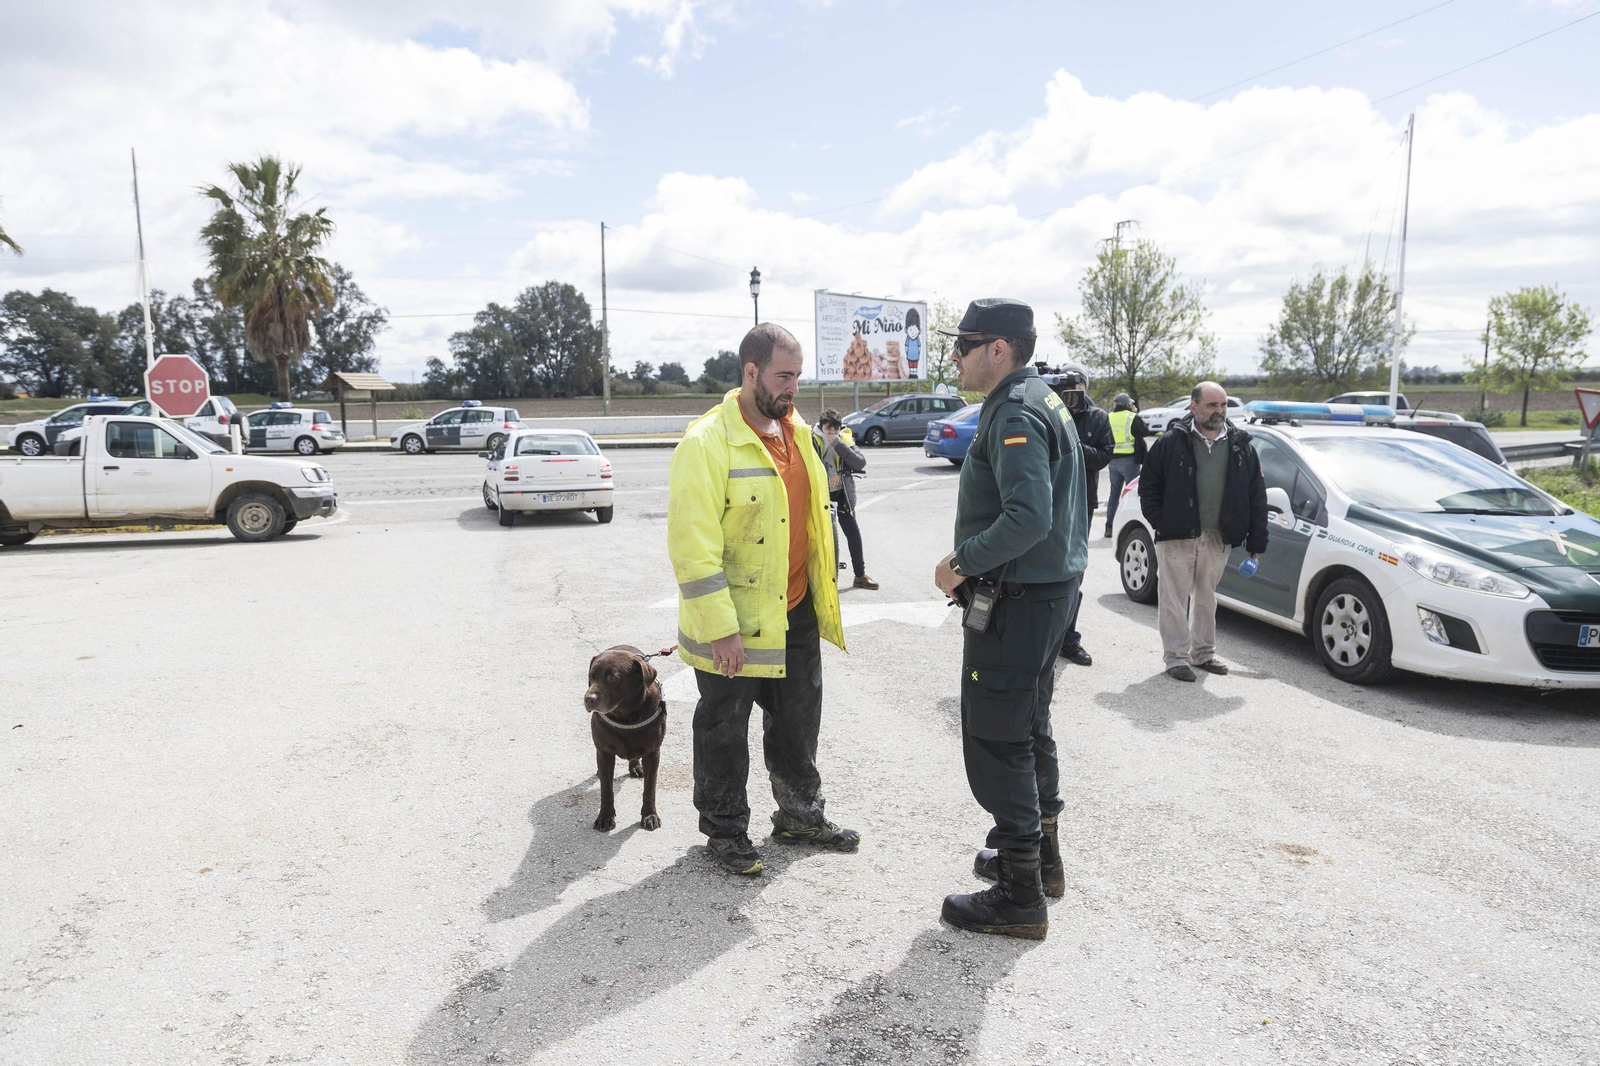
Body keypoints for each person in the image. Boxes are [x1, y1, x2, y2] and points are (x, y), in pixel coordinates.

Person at [667, 323, 861, 875]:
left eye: (798, 376)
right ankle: (725, 831)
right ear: (750, 372)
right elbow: (692, 549)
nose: (793, 388)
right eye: (783, 376)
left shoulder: (794, 430)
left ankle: (801, 816)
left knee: (798, 722)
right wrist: (719, 627)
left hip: (794, 608)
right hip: (735, 623)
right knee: (724, 728)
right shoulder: (705, 444)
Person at [931, 298, 1088, 940]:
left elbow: (1029, 517)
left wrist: (961, 564)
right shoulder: (1037, 398)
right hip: (1047, 593)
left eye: (964, 344)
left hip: (1021, 596)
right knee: (1028, 723)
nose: (956, 355)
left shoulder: (1017, 410)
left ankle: (1020, 894)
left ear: (999, 348)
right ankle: (1040, 857)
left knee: (998, 734)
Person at [1137, 381, 1268, 683]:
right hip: (1177, 536)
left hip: (1217, 537)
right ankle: (1176, 658)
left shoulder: (1241, 446)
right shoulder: (1171, 442)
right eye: (1212, 405)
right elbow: (1148, 486)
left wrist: (1256, 542)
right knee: (1173, 599)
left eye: (1222, 405)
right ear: (1194, 407)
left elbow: (1256, 496)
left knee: (1207, 598)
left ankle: (1204, 653)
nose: (1219, 411)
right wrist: (1162, 521)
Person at [1053, 370, 1112, 667]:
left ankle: (1069, 639)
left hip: (1082, 502)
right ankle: (1045, 635)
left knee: (1074, 571)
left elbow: (1105, 455)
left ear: (1084, 388)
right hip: (1049, 500)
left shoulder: (1098, 417)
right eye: (1065, 388)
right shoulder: (1049, 408)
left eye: (1075, 388)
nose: (1070, 393)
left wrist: (1074, 447)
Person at [813, 409, 878, 590]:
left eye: (836, 430)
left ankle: (860, 576)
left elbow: (859, 463)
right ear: (821, 427)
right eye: (828, 430)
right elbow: (807, 463)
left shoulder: (844, 438)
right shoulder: (811, 439)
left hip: (842, 494)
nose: (832, 434)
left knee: (853, 534)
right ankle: (823, 579)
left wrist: (839, 444)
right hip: (820, 495)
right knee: (822, 538)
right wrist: (828, 471)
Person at [1103, 392, 1152, 537]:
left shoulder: (1108, 417)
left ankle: (1109, 527)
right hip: (1130, 461)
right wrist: (1135, 412)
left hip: (1112, 461)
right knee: (1133, 495)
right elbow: (1145, 431)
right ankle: (1128, 527)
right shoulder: (1132, 417)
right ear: (1127, 404)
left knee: (1114, 494)